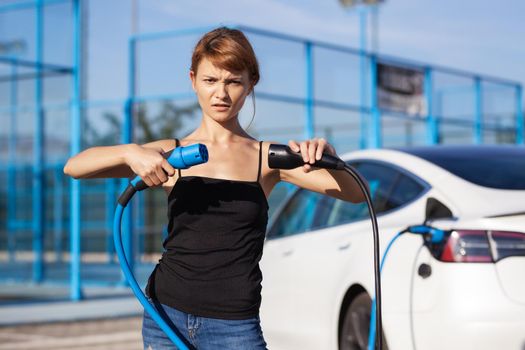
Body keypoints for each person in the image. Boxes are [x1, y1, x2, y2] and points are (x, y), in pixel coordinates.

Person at [64, 27, 365, 350]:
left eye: (233, 81)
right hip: (166, 317)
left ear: (251, 83)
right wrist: (130, 152)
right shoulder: (171, 152)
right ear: (193, 80)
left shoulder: (267, 158)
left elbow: (355, 193)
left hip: (235, 326)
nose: (220, 93)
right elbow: (75, 167)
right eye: (210, 80)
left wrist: (329, 156)